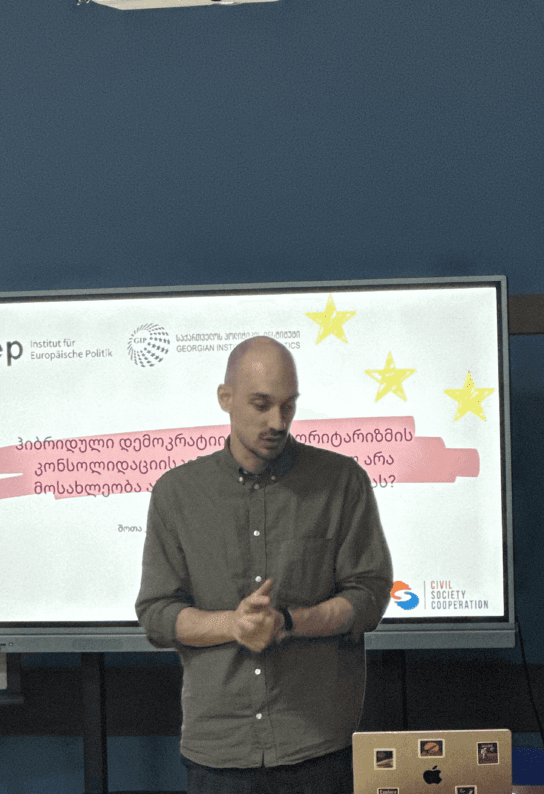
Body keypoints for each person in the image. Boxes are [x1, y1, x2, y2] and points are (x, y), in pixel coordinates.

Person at [136, 336, 394, 794]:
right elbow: (157, 613)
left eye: (288, 406)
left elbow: (368, 596)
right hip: (219, 750)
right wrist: (232, 625)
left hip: (317, 744)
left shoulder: (341, 481)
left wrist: (288, 622)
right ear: (225, 398)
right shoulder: (177, 493)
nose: (277, 422)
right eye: (261, 405)